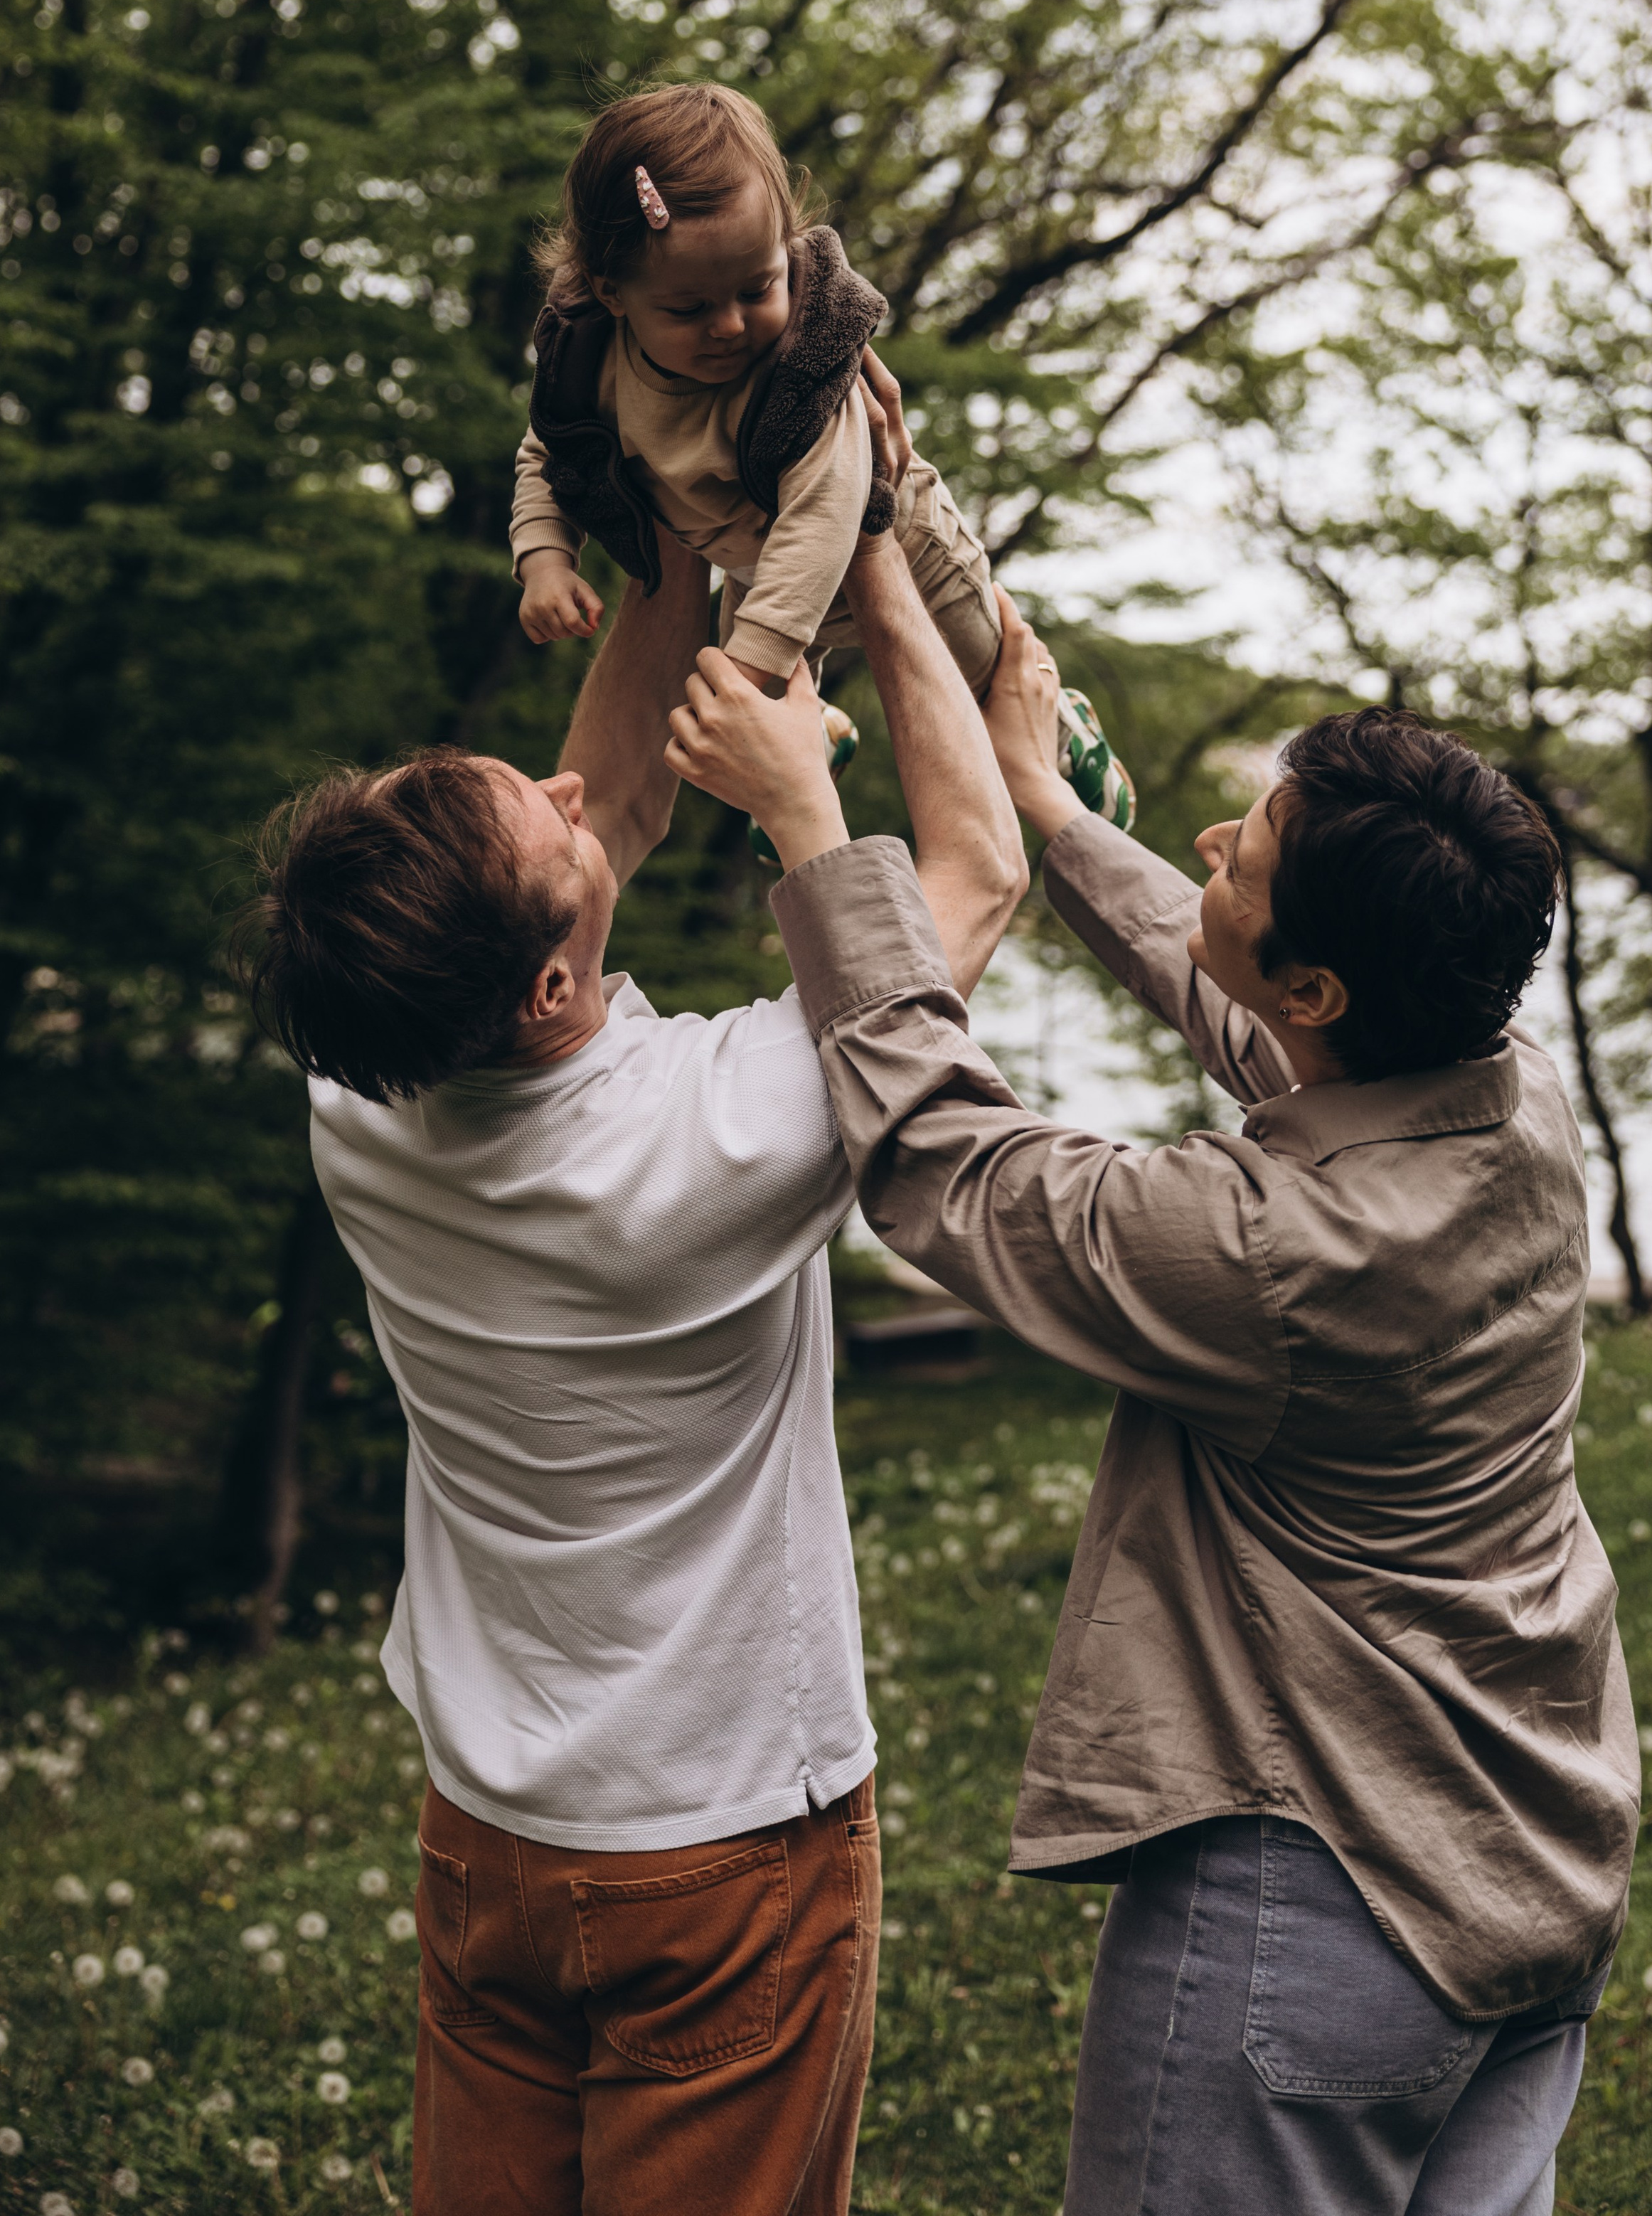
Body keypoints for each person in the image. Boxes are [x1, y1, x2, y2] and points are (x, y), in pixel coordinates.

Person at [666, 603, 1641, 2216]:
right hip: (1528, 1872)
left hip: (1327, 1898)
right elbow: (1257, 1018)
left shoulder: (1268, 1253)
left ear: (1321, 975)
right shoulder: (1501, 1083)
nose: (1205, 843)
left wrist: (806, 827)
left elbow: (937, 1157)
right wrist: (1047, 813)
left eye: (1239, 858)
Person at [234, 402, 1027, 2216]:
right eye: (548, 820)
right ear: (542, 981)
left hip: (491, 1834)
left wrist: (707, 505)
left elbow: (613, 794)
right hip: (724, 1850)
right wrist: (877, 555)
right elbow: (972, 881)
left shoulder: (364, 1088)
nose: (575, 785)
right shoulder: (724, 1133)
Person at [512, 78, 1133, 831]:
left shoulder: (804, 372)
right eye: (689, 309)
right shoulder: (593, 366)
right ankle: (815, 749)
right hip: (760, 567)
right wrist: (546, 557)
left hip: (902, 548)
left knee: (975, 680)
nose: (732, 326)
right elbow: (553, 449)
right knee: (743, 708)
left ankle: (1058, 732)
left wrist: (753, 668)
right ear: (611, 294)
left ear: (787, 251)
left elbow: (825, 518)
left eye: (757, 287)